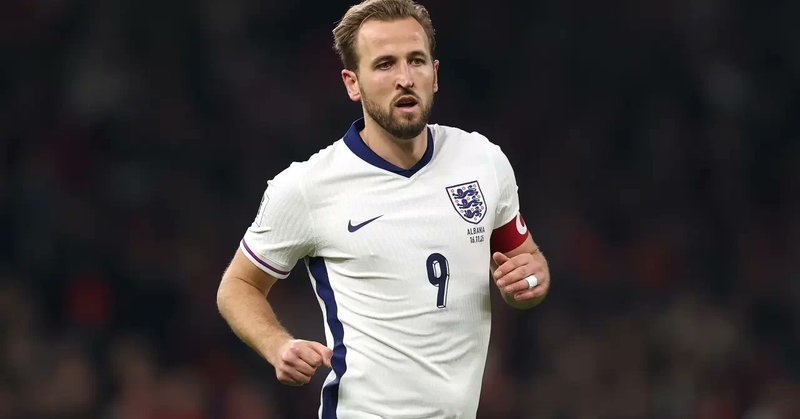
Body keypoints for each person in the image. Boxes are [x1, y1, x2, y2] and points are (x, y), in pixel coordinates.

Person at [216, 0, 551, 417]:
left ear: (435, 75)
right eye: (385, 64)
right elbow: (238, 287)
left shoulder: (482, 161)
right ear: (352, 83)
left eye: (416, 61)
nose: (405, 78)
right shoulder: (307, 186)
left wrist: (531, 281)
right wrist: (277, 345)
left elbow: (525, 263)